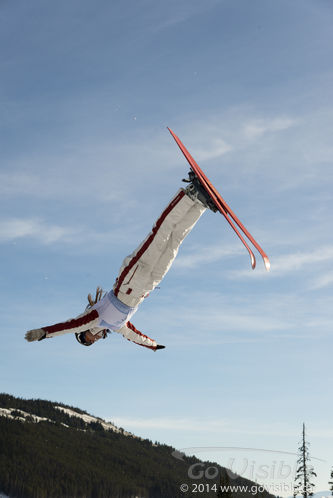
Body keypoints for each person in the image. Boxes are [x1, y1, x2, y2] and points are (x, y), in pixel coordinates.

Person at [25, 173, 217, 351]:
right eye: (90, 343)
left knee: (160, 235)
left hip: (130, 281)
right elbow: (134, 336)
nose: (92, 340)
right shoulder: (117, 327)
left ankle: (188, 195)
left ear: (83, 333)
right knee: (174, 244)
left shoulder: (93, 319)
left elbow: (69, 326)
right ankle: (199, 204)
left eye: (85, 339)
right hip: (147, 287)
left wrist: (44, 333)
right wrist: (152, 345)